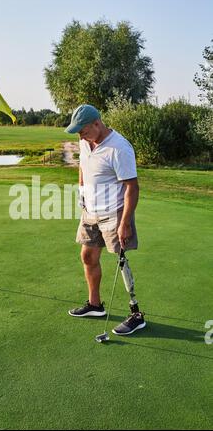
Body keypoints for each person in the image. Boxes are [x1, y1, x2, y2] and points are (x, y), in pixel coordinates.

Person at [65, 104, 146, 335]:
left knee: (121, 261)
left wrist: (125, 222)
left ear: (97, 124)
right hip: (90, 211)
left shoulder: (119, 148)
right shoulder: (85, 141)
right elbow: (83, 166)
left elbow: (132, 187)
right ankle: (95, 305)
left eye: (83, 130)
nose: (80, 135)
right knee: (88, 255)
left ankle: (136, 314)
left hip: (114, 212)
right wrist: (82, 192)